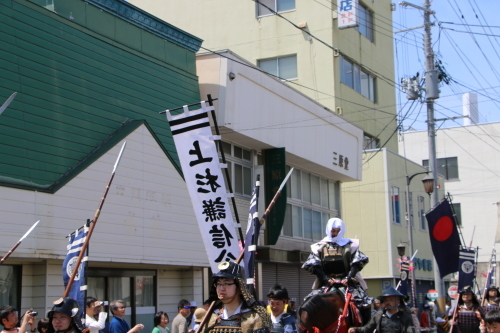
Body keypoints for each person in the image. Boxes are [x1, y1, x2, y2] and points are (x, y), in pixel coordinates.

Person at [302, 218, 373, 324]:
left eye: (337, 231)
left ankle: (366, 328)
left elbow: (357, 262)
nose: (334, 233)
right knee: (308, 303)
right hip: (327, 283)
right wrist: (325, 279)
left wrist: (349, 277)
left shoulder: (350, 245)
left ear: (341, 230)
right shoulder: (320, 247)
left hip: (347, 281)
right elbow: (313, 264)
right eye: (332, 231)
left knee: (364, 302)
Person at [201, 261, 271, 333]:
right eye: (219, 284)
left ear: (239, 287)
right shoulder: (210, 316)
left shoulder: (254, 318)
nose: (221, 288)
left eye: (226, 283)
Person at [347, 287, 415, 333]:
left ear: (398, 301)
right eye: (386, 300)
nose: (388, 302)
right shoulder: (378, 315)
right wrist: (355, 330)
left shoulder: (405, 318)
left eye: (391, 300)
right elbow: (367, 329)